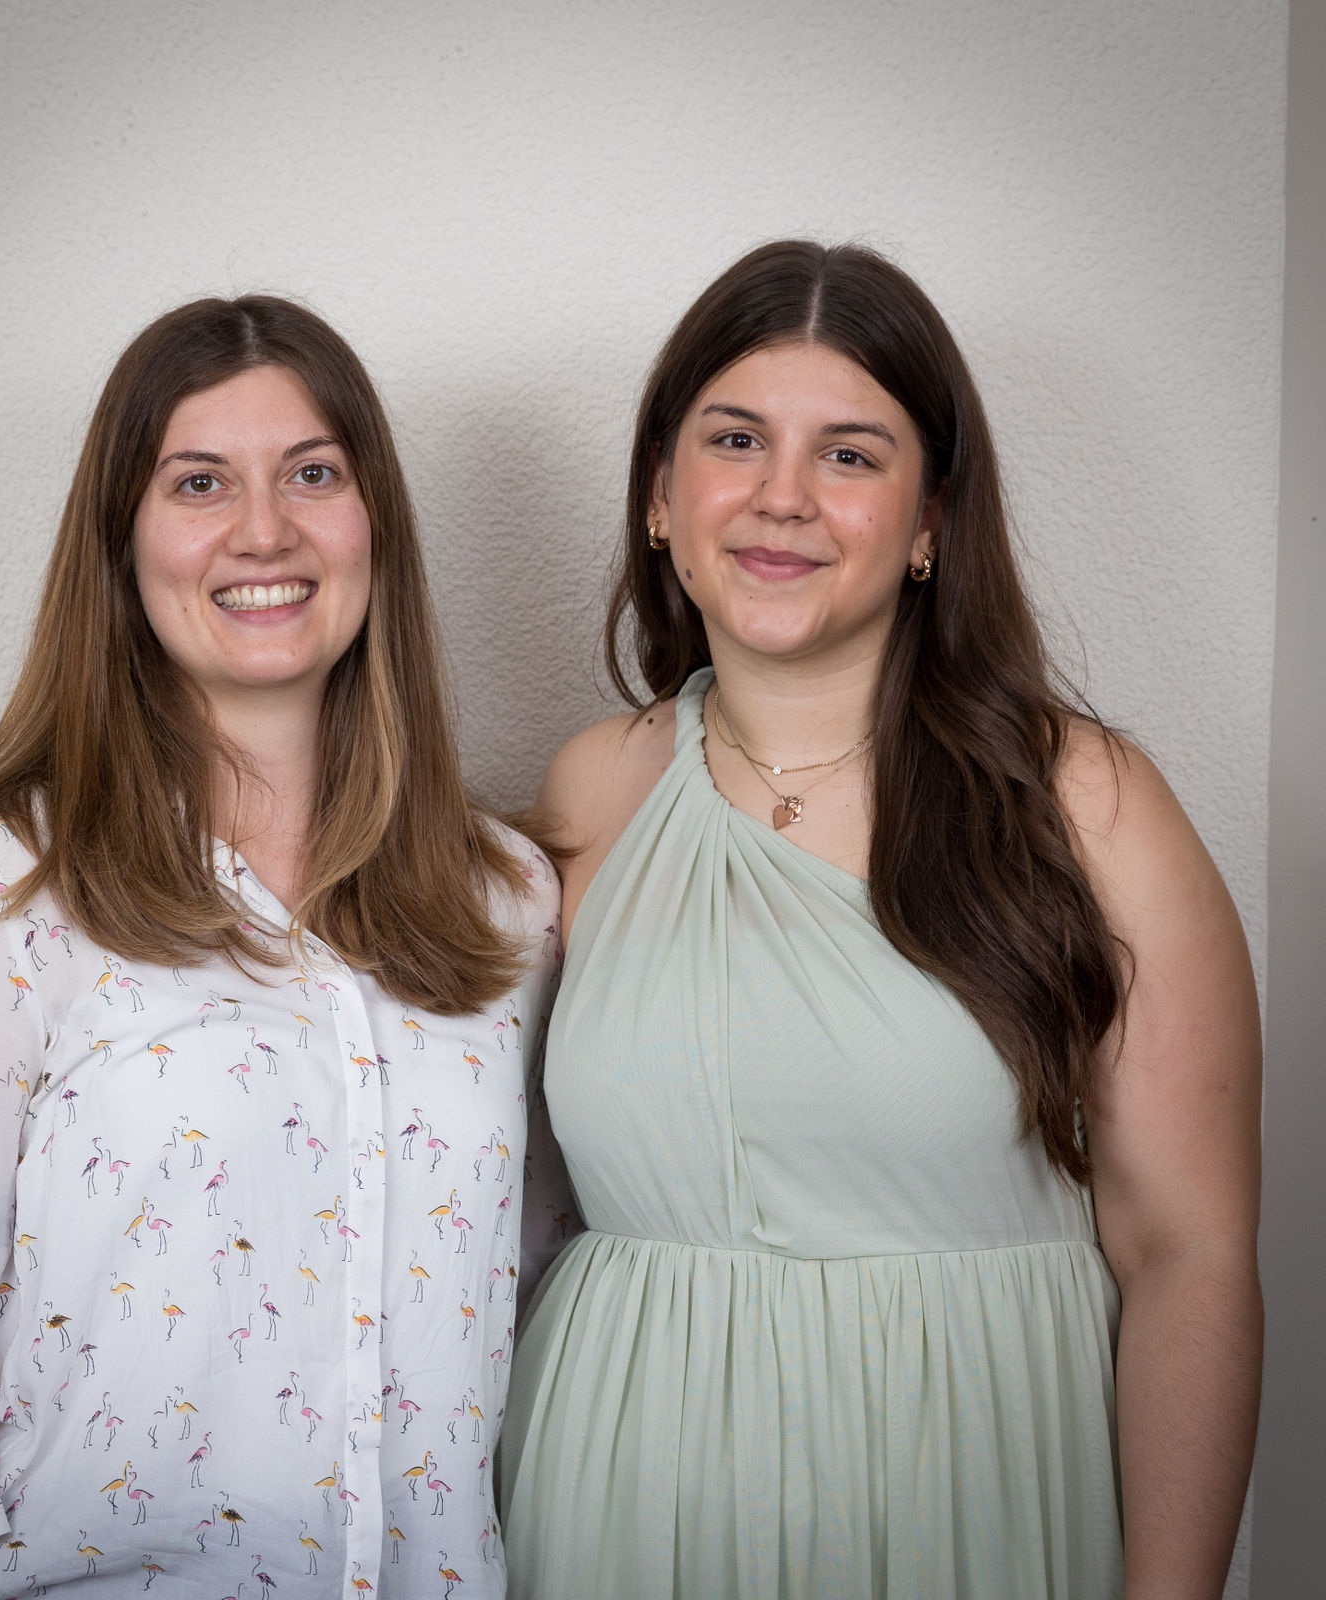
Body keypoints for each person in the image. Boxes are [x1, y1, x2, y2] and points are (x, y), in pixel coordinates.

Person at [498, 241, 1262, 1599]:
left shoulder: (1086, 803)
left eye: (849, 454)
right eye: (736, 439)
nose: (782, 496)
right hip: (615, 1513)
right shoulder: (595, 789)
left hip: (967, 1508)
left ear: (930, 524)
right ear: (663, 496)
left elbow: (1189, 1257)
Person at [0, 295, 567, 1599]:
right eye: (200, 482)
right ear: (123, 540)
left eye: (313, 474)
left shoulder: (509, 901)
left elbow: (540, 1297)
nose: (263, 530)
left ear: (376, 522)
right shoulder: (0, 884)